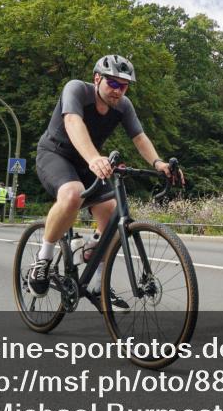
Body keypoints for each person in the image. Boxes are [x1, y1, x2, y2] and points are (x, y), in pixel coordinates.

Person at [28, 54, 182, 301]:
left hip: (89, 161)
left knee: (112, 214)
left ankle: (98, 286)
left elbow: (140, 138)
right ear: (97, 78)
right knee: (72, 194)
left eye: (124, 86)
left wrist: (158, 163)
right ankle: (43, 260)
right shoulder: (76, 89)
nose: (118, 91)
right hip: (55, 154)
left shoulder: (124, 106)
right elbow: (72, 121)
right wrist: (93, 158)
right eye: (112, 83)